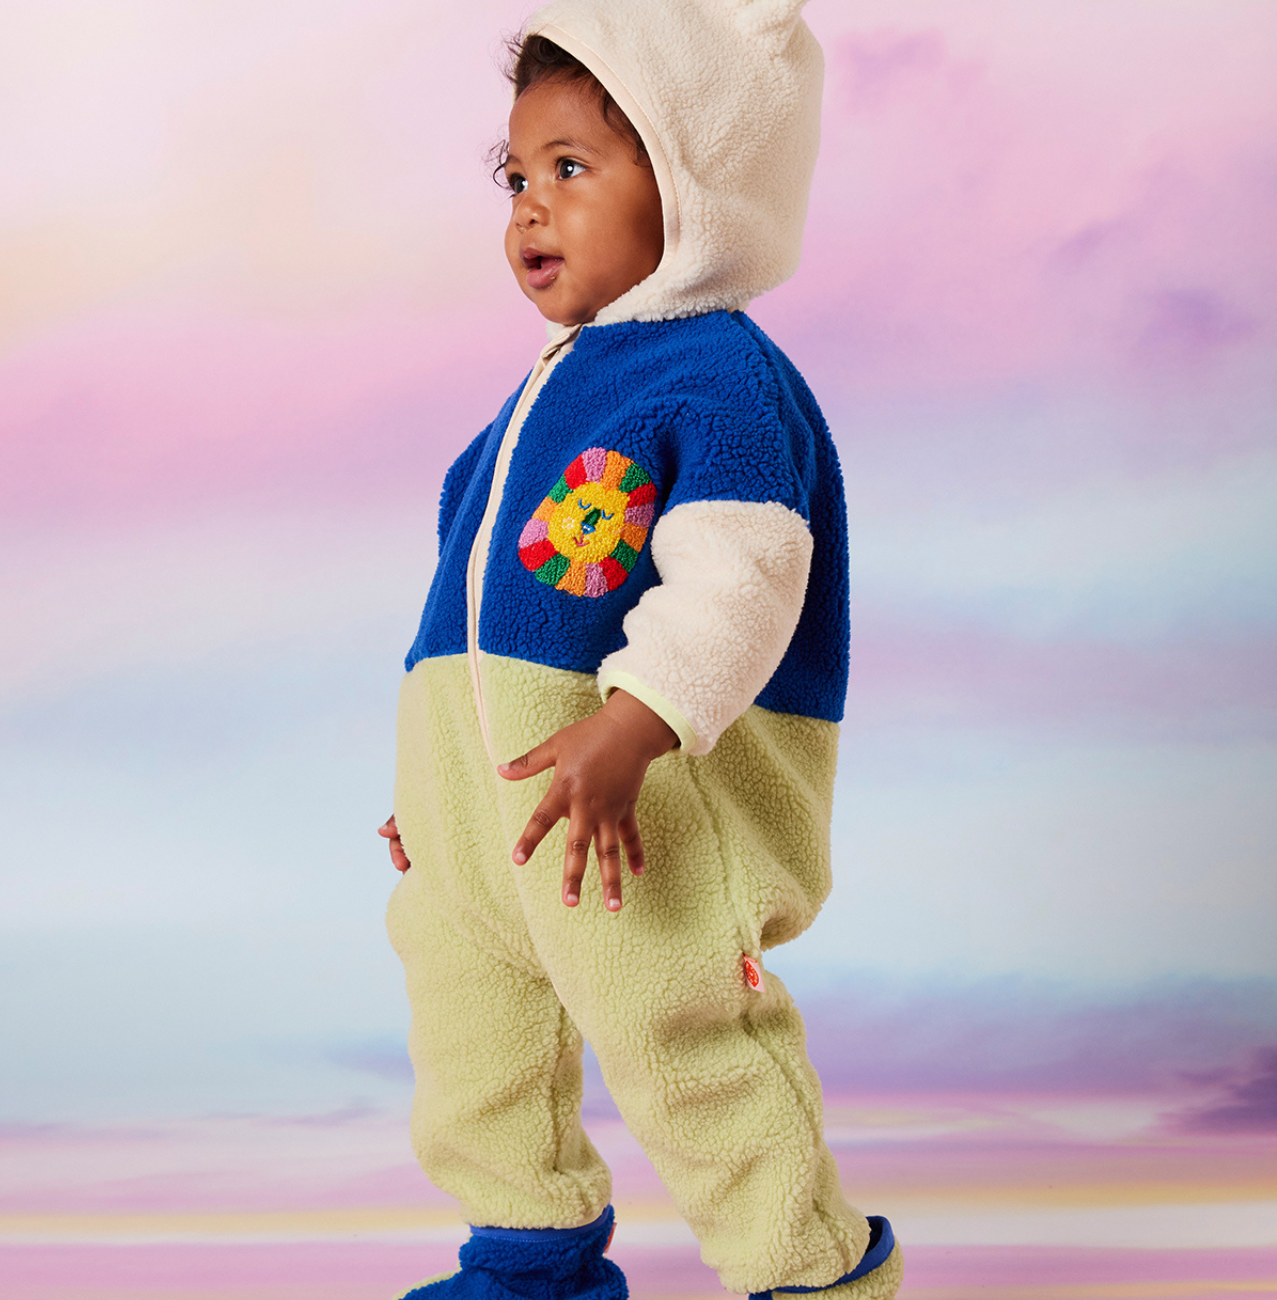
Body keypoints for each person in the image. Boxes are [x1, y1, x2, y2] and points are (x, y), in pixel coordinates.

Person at [378, 3, 902, 1298]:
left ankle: (814, 1273)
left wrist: (637, 719)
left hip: (640, 812)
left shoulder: (716, 377)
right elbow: (460, 635)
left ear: (696, 180)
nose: (530, 208)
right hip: (498, 832)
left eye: (571, 167)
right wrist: (436, 794)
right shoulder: (527, 408)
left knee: (688, 1046)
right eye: (515, 175)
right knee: (476, 1055)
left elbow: (742, 574)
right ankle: (529, 1257)